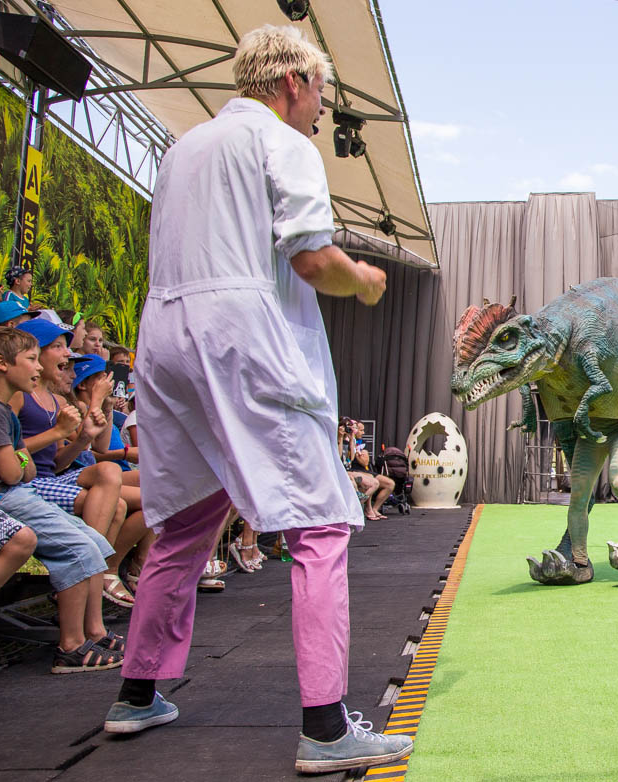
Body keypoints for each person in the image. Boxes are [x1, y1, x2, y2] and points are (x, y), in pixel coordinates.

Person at [102, 25, 407, 774]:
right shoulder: (282, 142)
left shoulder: (184, 149)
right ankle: (328, 729)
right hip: (239, 336)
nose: (320, 114)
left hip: (164, 335)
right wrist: (363, 281)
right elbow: (312, 260)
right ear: (294, 83)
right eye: (321, 97)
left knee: (182, 520)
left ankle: (137, 694)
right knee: (321, 523)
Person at [0, 325, 123, 672]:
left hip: (23, 489)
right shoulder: (2, 409)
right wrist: (23, 458)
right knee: (80, 549)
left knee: (94, 541)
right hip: (10, 497)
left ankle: (89, 632)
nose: (38, 368)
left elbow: (27, 469)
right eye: (32, 359)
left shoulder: (6, 411)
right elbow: (12, 473)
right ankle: (71, 646)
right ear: (2, 364)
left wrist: (20, 459)